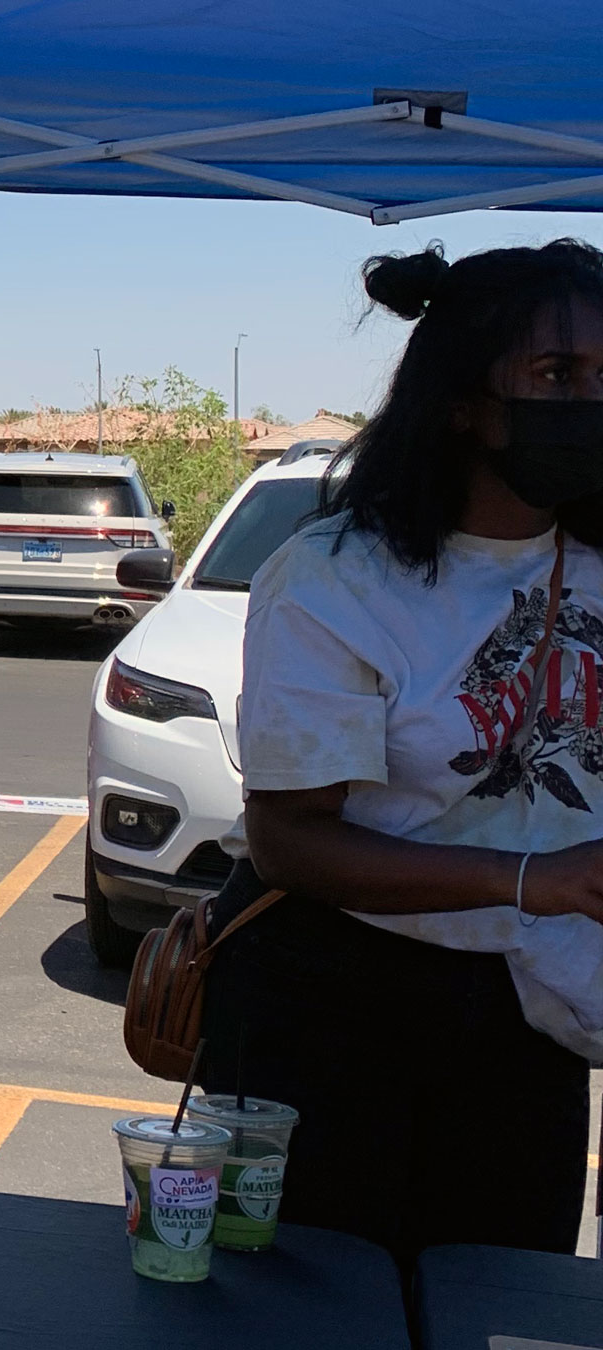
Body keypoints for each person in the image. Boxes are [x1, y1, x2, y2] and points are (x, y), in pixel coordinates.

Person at [202, 239, 603, 1258]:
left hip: (536, 1021)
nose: (591, 401)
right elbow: (291, 842)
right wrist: (536, 880)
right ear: (464, 402)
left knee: (504, 1305)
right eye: (558, 375)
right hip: (334, 1010)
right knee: (316, 1309)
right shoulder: (338, 580)